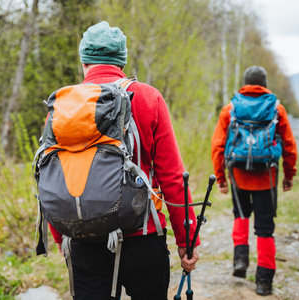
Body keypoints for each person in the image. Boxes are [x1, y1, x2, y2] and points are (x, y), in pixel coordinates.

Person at [47, 21, 200, 300]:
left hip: (83, 238)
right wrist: (187, 241)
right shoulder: (147, 97)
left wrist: (60, 237)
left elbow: (52, 176)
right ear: (122, 60)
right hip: (143, 235)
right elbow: (173, 177)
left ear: (83, 61)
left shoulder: (62, 105)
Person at [211, 66, 297, 296]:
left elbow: (218, 146)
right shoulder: (277, 109)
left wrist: (220, 178)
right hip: (267, 177)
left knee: (240, 215)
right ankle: (264, 282)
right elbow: (289, 146)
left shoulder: (231, 109)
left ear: (245, 83)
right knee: (265, 229)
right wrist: (289, 175)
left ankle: (240, 260)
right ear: (265, 84)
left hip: (238, 175)